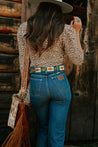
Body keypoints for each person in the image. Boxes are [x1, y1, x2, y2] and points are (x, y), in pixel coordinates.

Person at [17, 0, 84, 146]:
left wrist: (26, 89)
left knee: (43, 128)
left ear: (40, 7)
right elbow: (78, 59)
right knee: (57, 132)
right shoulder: (66, 30)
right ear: (58, 10)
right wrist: (77, 32)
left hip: (37, 82)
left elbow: (24, 63)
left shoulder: (24, 28)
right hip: (58, 81)